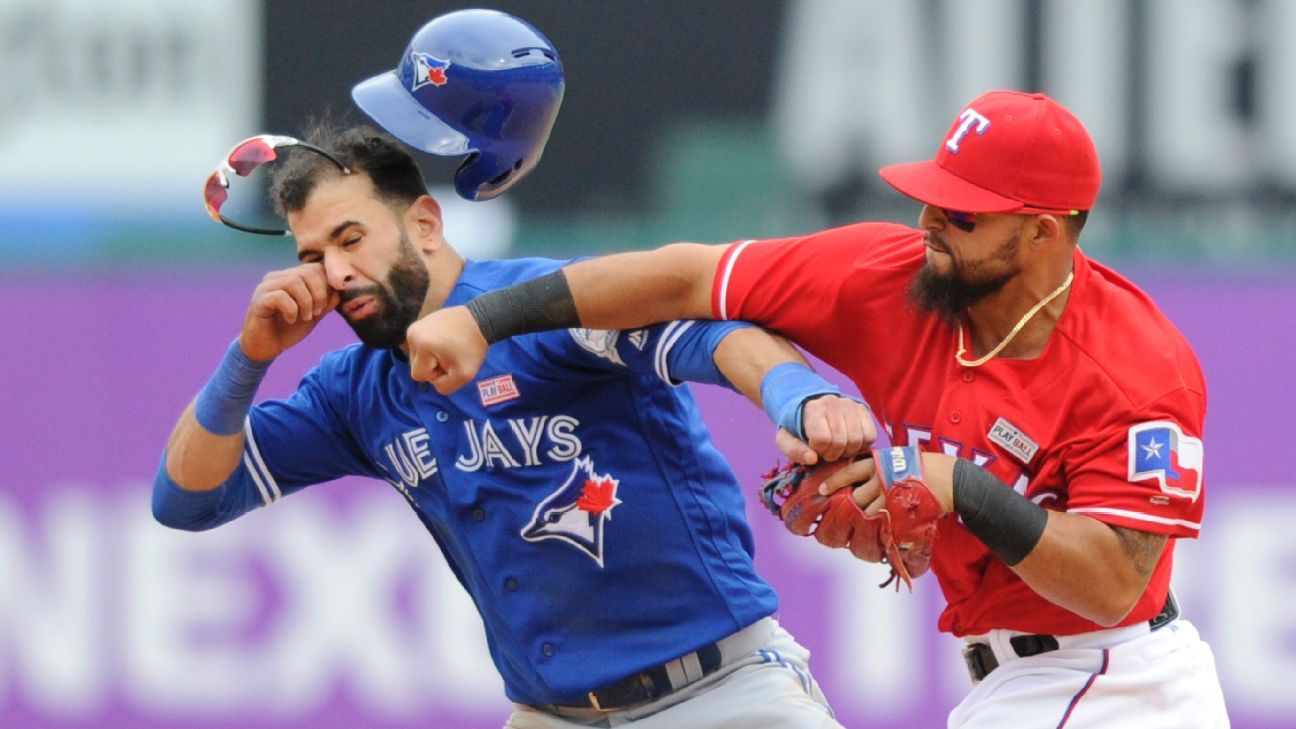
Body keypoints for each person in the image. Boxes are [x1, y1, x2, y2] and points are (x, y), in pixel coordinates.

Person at [405, 90, 1231, 727]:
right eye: (931, 195)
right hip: (1017, 679)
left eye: (964, 214)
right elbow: (685, 276)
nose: (930, 222)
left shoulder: (1134, 368)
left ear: (1046, 232)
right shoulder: (892, 277)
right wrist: (486, 315)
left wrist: (957, 487)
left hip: (1116, 679)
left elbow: (1115, 587)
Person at [157, 118, 871, 729]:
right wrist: (248, 357)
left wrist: (796, 397)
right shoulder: (355, 390)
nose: (335, 272)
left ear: (425, 224)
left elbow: (704, 335)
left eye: (351, 239)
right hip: (552, 713)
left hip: (717, 695)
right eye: (312, 256)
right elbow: (186, 499)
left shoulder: (540, 306)